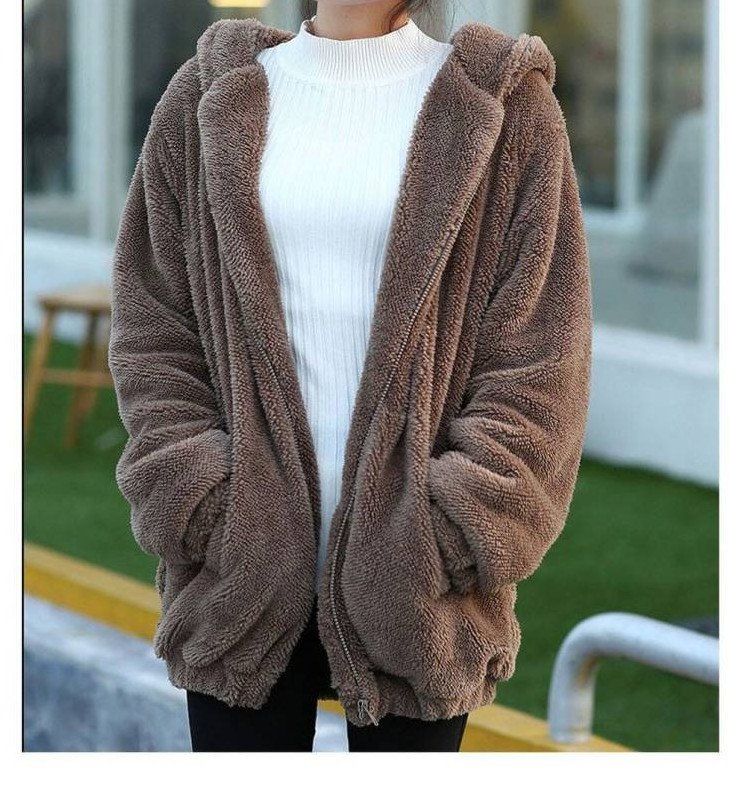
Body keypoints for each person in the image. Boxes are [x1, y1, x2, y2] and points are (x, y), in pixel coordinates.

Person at [108, 0, 592, 753]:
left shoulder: (504, 109)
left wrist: (450, 531)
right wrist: (202, 502)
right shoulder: (206, 98)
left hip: (420, 597)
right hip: (239, 581)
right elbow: (155, 326)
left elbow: (540, 356)